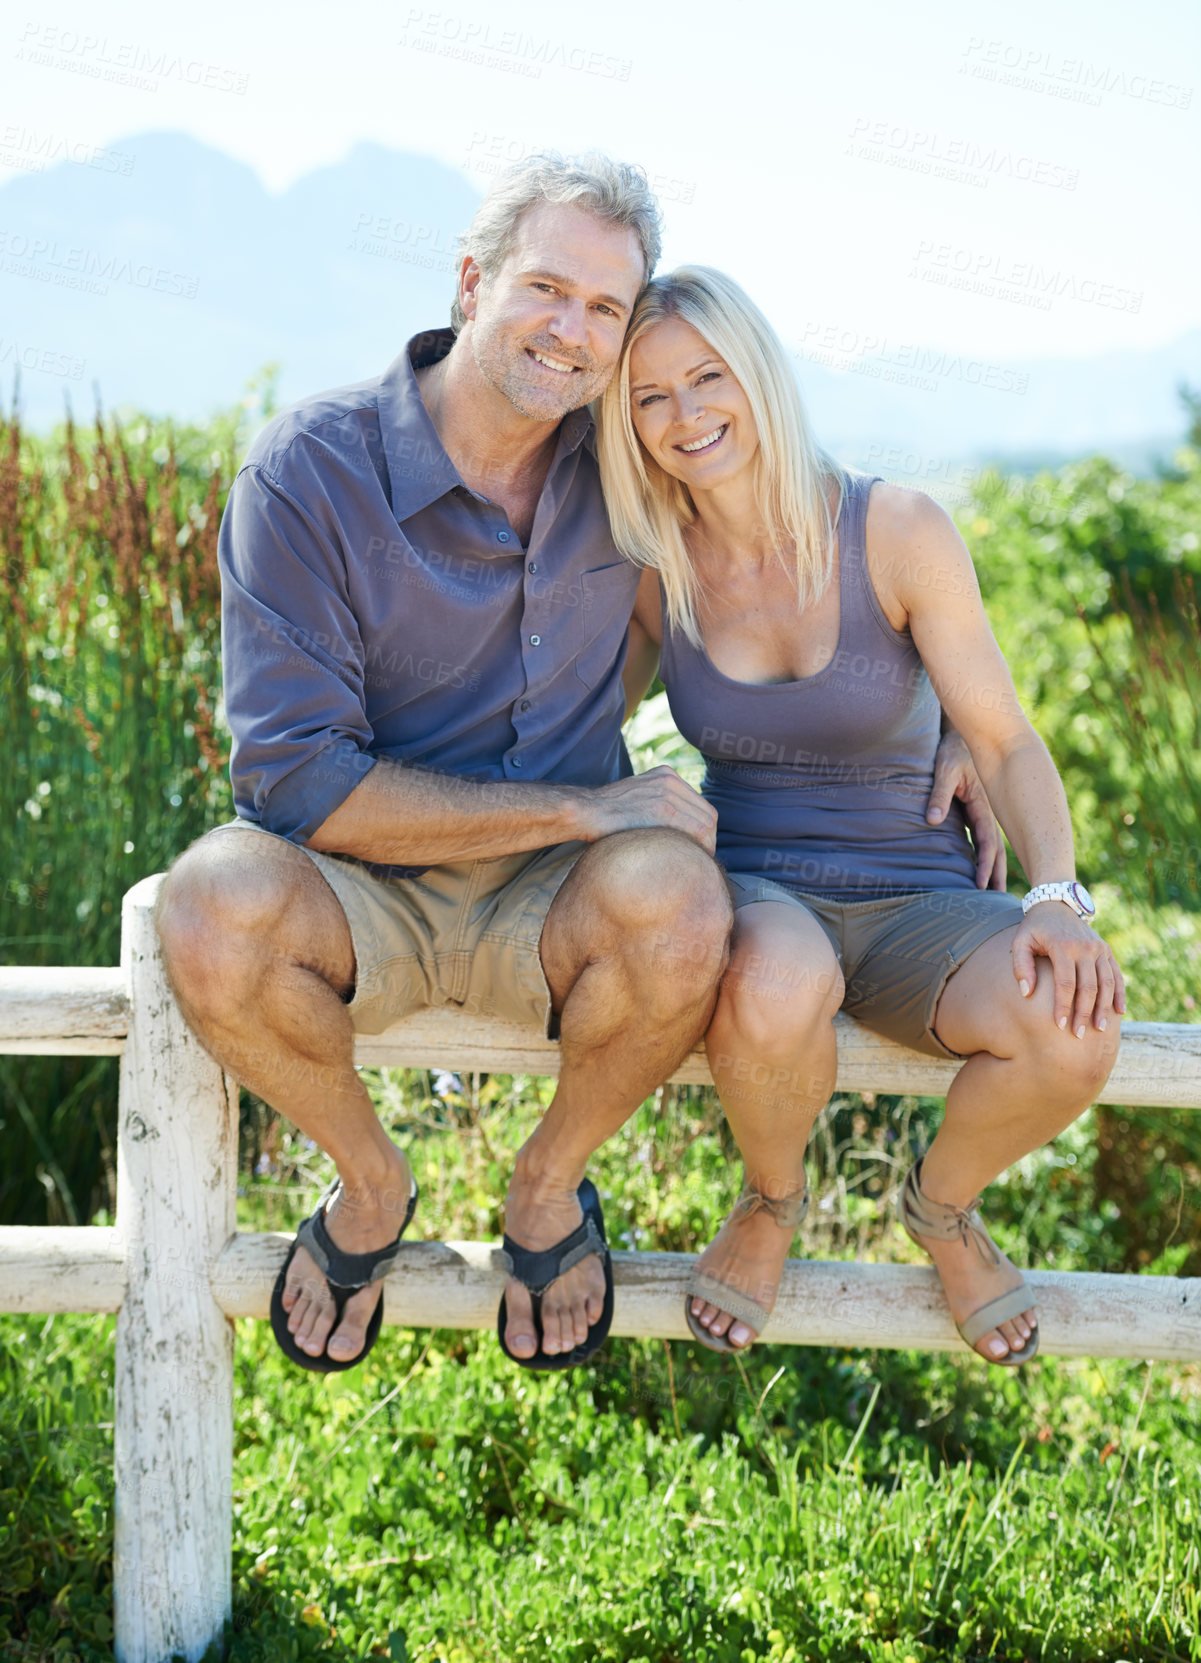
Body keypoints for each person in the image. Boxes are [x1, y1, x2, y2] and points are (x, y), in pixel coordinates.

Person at [154, 156, 999, 1376]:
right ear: (470, 281)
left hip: (557, 900)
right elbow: (294, 784)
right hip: (356, 884)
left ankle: (547, 1189)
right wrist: (576, 803)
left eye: (606, 308)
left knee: (680, 899)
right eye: (547, 289)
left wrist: (950, 708)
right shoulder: (306, 473)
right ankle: (370, 1183)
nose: (573, 330)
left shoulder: (629, 460)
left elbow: (794, 520)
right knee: (208, 899)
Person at [598, 266, 1123, 1366]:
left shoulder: (894, 528)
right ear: (626, 421)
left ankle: (940, 1210)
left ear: (760, 374)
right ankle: (773, 1202)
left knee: (1073, 1027)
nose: (687, 414)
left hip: (922, 895)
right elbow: (574, 719)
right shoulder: (656, 566)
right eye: (650, 397)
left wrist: (1057, 893)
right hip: (756, 891)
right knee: (779, 976)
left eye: (707, 376)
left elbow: (1003, 737)